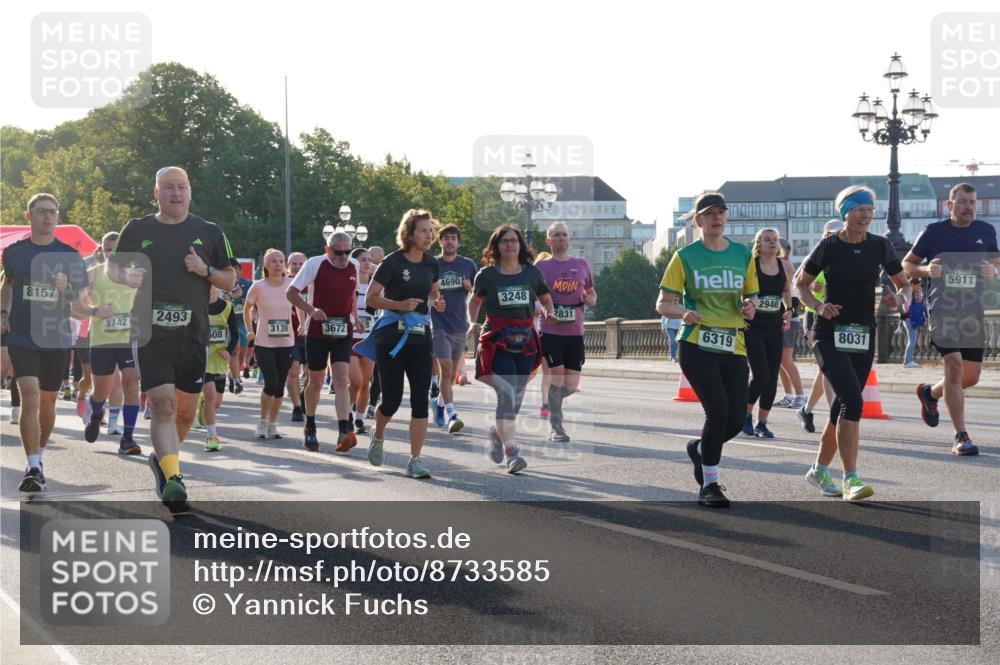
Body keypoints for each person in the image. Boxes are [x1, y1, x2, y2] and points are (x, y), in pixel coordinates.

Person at [106, 167, 237, 511]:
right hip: (150, 331)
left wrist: (205, 270)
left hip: (193, 332)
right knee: (163, 405)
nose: (176, 194)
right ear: (156, 192)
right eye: (168, 188)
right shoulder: (137, 229)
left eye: (181, 187)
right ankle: (174, 477)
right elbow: (113, 268)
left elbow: (229, 279)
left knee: (184, 412)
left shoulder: (209, 232)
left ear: (190, 192)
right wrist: (124, 275)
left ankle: (164, 463)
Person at [797, 185, 909, 501]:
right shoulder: (829, 246)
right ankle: (851, 478)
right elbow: (800, 284)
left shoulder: (880, 246)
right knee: (853, 401)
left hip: (863, 334)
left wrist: (896, 297)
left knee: (841, 407)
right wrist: (819, 306)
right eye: (859, 209)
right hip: (828, 332)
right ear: (845, 212)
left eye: (870, 210)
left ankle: (819, 470)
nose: (866, 215)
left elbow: (904, 285)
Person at [656, 193, 758, 508]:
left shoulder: (742, 254)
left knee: (735, 418)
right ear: (698, 220)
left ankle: (701, 449)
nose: (716, 218)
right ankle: (710, 485)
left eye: (721, 213)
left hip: (733, 342)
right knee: (716, 411)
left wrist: (750, 306)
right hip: (697, 342)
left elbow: (752, 298)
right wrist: (682, 312)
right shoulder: (685, 256)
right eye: (709, 213)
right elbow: (662, 303)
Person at [1, 193, 91, 492]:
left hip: (56, 336)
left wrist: (65, 291)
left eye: (53, 212)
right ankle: (34, 464)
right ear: (29, 216)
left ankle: (37, 456)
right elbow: (7, 283)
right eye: (41, 212)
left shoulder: (69, 256)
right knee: (30, 395)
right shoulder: (14, 253)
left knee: (48, 402)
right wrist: (3, 313)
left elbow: (80, 306)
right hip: (22, 335)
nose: (48, 217)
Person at [904, 182, 999, 456]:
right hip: (943, 307)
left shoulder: (985, 231)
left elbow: (996, 262)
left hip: (973, 308)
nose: (968, 207)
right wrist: (926, 269)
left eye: (971, 202)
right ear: (950, 204)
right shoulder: (934, 232)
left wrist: (992, 270)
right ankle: (961, 436)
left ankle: (930, 393)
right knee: (955, 368)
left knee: (971, 375)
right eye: (962, 202)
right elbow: (907, 264)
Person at [355, 210, 443, 478]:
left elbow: (433, 292)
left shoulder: (431, 263)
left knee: (420, 398)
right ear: (409, 234)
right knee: (391, 401)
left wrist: (436, 302)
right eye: (423, 231)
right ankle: (378, 433)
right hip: (391, 334)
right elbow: (371, 298)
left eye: (431, 230)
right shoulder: (392, 262)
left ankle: (415, 459)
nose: (429, 236)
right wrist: (398, 305)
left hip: (420, 333)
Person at [469, 224, 555, 473]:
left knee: (515, 396)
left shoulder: (531, 273)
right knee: (506, 392)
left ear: (521, 245)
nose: (510, 245)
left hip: (526, 340)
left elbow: (545, 297)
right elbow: (474, 301)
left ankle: (497, 433)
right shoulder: (486, 275)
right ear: (497, 246)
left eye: (514, 241)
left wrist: (549, 311)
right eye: (505, 241)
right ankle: (512, 452)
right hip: (498, 339)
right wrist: (472, 322)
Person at [286, 232, 360, 453]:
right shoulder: (315, 264)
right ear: (328, 250)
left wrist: (355, 317)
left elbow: (353, 294)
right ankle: (310, 425)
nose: (344, 256)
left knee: (341, 378)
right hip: (317, 331)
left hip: (343, 331)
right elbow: (291, 293)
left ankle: (344, 430)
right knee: (315, 381)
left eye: (348, 251)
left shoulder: (354, 265)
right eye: (338, 252)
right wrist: (311, 311)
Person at [535, 221, 596, 443]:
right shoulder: (541, 267)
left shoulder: (581, 264)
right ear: (548, 240)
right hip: (550, 330)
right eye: (557, 235)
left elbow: (590, 290)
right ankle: (556, 426)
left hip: (575, 331)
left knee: (571, 384)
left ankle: (552, 404)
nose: (561, 238)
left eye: (564, 235)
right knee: (557, 378)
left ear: (569, 239)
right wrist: (543, 309)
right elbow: (533, 296)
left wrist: (591, 300)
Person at [81, 231, 141, 454]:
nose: (112, 254)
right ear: (102, 251)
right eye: (108, 250)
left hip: (129, 338)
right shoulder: (93, 275)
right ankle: (96, 412)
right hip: (102, 340)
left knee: (131, 381)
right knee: (102, 390)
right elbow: (75, 305)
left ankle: (128, 438)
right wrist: (94, 310)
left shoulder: (136, 275)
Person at [741, 228, 793, 439]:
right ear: (758, 244)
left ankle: (762, 423)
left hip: (775, 327)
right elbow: (740, 292)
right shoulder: (751, 265)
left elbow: (786, 292)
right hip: (753, 327)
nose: (772, 242)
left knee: (771, 378)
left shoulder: (785, 266)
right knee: (761, 373)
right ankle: (745, 415)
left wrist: (789, 311)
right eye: (767, 239)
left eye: (775, 239)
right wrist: (742, 313)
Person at [430, 224, 477, 434]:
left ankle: (439, 403)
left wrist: (471, 288)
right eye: (446, 238)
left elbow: (479, 294)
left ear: (458, 242)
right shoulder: (432, 264)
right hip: (438, 325)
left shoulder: (467, 265)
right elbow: (424, 292)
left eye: (453, 238)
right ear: (440, 242)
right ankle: (451, 414)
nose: (449, 241)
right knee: (446, 370)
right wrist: (433, 300)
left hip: (460, 325)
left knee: (449, 377)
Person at [245, 248, 295, 440]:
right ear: (266, 265)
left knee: (280, 385)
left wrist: (302, 325)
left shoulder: (291, 285)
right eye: (273, 261)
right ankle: (263, 421)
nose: (278, 264)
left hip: (286, 341)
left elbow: (299, 305)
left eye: (281, 261)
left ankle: (273, 424)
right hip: (264, 342)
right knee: (271, 382)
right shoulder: (258, 286)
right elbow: (247, 308)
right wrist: (250, 329)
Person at [198, 287, 238, 450]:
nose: (209, 290)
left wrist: (228, 351)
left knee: (216, 402)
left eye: (212, 286)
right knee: (210, 395)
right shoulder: (197, 305)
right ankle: (211, 437)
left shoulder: (227, 307)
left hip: (219, 358)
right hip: (202, 357)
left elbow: (234, 334)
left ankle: (202, 406)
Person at [774, 238, 805, 409]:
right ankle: (788, 395)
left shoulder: (785, 266)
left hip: (788, 318)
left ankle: (800, 395)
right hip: (777, 317)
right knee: (780, 360)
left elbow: (789, 296)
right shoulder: (770, 265)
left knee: (786, 359)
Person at [348, 247, 377, 434]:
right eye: (362, 259)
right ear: (354, 263)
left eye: (369, 260)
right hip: (349, 339)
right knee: (356, 381)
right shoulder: (349, 284)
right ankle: (348, 411)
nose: (367, 263)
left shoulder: (376, 287)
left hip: (369, 339)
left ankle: (359, 418)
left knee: (366, 382)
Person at [285, 251, 308, 421]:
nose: (298, 267)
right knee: (293, 371)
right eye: (294, 263)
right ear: (288, 265)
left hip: (311, 334)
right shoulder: (283, 284)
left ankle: (302, 395)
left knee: (311, 374)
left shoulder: (313, 283)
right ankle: (296, 407)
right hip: (290, 334)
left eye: (301, 264)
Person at [225, 273, 253, 394]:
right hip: (228, 323)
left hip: (243, 323)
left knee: (242, 353)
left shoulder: (247, 285)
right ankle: (236, 379)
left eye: (236, 269)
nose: (233, 271)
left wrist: (247, 301)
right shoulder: (221, 284)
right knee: (234, 351)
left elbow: (251, 302)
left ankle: (233, 375)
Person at [900, 277, 925, 368]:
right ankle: (907, 361)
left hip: (908, 319)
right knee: (912, 341)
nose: (918, 287)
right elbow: (908, 307)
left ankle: (908, 360)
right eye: (917, 285)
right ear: (913, 284)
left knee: (911, 341)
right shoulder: (909, 291)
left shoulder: (909, 292)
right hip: (910, 320)